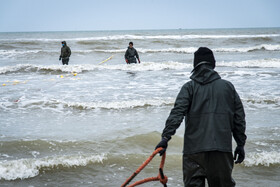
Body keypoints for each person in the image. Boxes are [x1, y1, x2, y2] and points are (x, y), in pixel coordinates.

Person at [155, 47, 246, 187]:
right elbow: (238, 119)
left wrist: (166, 137)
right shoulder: (228, 87)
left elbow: (177, 113)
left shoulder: (188, 88)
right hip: (220, 150)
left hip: (193, 152)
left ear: (195, 65)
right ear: (213, 64)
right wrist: (240, 144)